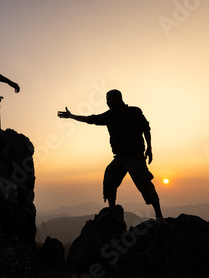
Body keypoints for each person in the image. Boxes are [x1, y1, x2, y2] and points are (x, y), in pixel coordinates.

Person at [58, 89, 164, 220]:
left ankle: (159, 215)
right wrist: (71, 116)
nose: (108, 102)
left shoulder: (134, 112)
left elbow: (146, 128)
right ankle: (112, 211)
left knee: (145, 184)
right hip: (119, 158)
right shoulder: (109, 116)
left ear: (119, 99)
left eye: (110, 99)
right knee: (109, 180)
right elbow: (90, 119)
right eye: (107, 99)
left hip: (135, 156)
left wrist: (149, 148)